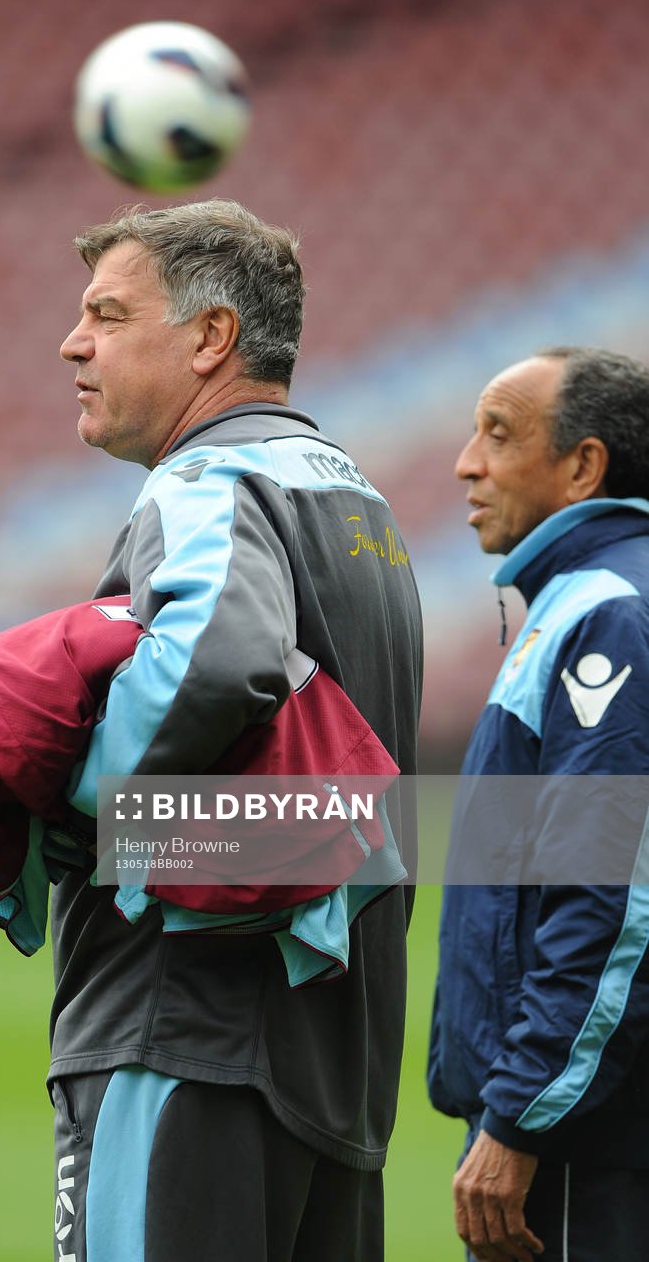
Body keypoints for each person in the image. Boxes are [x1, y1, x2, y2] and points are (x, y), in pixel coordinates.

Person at [48, 199, 423, 1262]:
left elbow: (222, 653)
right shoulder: (358, 501)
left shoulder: (209, 476)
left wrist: (74, 797)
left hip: (187, 1034)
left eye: (108, 314)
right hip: (331, 1064)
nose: (73, 342)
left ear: (211, 337)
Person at [427, 346, 649, 1261]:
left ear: (582, 467)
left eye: (498, 433)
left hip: (586, 1141)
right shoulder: (592, 599)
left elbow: (611, 895)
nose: (465, 463)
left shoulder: (608, 614)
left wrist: (520, 1114)